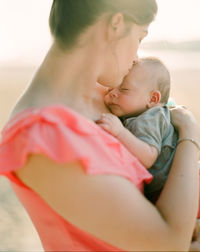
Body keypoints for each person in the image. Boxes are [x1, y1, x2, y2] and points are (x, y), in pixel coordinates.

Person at [0, 0, 199, 251]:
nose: (137, 57)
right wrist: (190, 132)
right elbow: (169, 243)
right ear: (115, 25)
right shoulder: (42, 138)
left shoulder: (106, 93)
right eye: (139, 38)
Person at [98, 57, 178, 203]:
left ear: (153, 99)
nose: (113, 93)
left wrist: (120, 132)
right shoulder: (137, 114)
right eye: (111, 89)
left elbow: (148, 157)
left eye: (124, 89)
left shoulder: (151, 117)